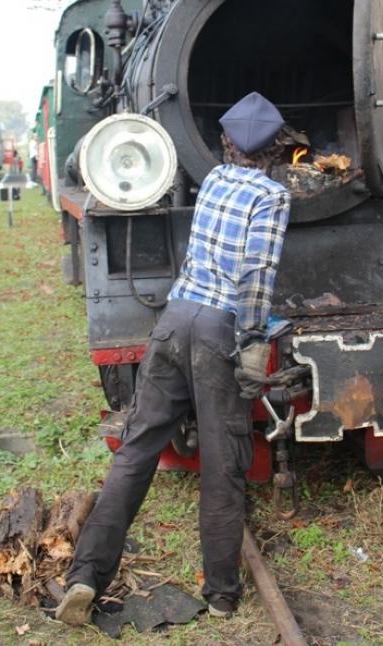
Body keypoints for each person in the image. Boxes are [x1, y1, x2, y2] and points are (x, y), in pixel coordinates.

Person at [55, 92, 291, 625]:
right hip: (218, 330)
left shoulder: (214, 182)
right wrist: (253, 340)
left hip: (175, 319)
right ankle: (223, 594)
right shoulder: (272, 197)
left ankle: (85, 577)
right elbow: (256, 275)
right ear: (276, 147)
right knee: (223, 459)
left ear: (227, 143)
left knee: (136, 451)